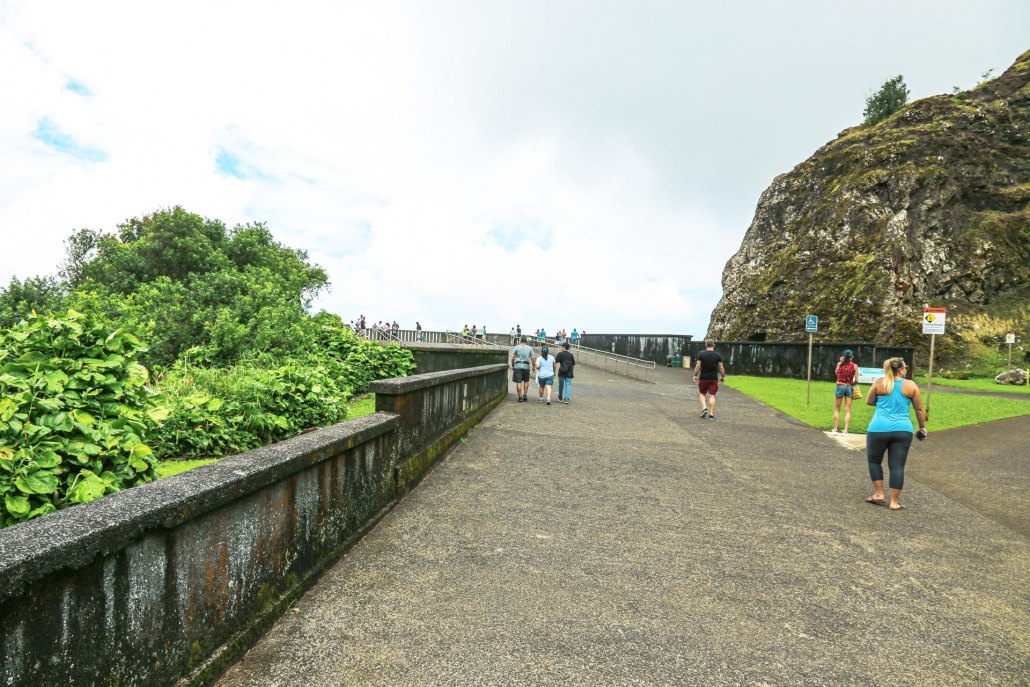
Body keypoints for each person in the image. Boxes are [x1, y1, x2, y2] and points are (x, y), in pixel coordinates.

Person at [865, 358, 927, 510]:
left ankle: (879, 494)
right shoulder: (910, 385)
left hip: (878, 429)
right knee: (897, 466)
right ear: (900, 370)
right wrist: (922, 427)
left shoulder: (880, 383)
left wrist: (883, 402)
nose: (906, 369)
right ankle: (894, 502)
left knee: (874, 462)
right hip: (902, 430)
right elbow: (919, 409)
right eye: (905, 367)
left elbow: (869, 401)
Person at [692, 339, 725, 419]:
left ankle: (704, 408)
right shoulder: (718, 355)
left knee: (702, 393)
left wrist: (695, 375)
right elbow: (721, 367)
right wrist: (723, 376)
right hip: (713, 378)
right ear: (714, 345)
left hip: (704, 377)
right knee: (712, 395)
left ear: (706, 345)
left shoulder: (701, 353)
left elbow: (698, 366)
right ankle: (711, 415)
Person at [832, 349, 859, 435]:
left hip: (840, 386)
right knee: (847, 410)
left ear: (843, 356)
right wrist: (853, 384)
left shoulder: (840, 364)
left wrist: (841, 361)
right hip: (849, 386)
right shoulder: (855, 366)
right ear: (852, 357)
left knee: (837, 409)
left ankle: (835, 429)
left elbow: (836, 373)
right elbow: (857, 379)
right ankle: (845, 431)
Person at [511, 336, 534, 402]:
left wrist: (512, 364)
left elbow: (512, 357)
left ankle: (520, 397)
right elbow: (533, 358)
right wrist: (533, 366)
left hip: (518, 366)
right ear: (526, 341)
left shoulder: (517, 347)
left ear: (520, 341)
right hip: (526, 366)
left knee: (519, 382)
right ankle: (525, 394)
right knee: (526, 381)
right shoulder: (529, 348)